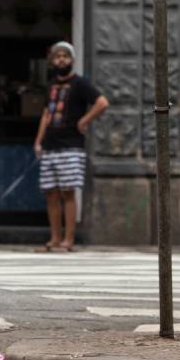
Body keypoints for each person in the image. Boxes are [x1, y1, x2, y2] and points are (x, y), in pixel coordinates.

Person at [32, 41, 108, 253]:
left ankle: (68, 239)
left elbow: (102, 102)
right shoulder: (51, 85)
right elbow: (46, 114)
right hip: (50, 145)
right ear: (52, 61)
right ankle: (55, 238)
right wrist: (38, 141)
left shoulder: (81, 84)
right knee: (51, 193)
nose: (61, 60)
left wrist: (85, 121)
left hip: (71, 146)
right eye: (57, 56)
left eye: (65, 56)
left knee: (68, 192)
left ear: (72, 60)